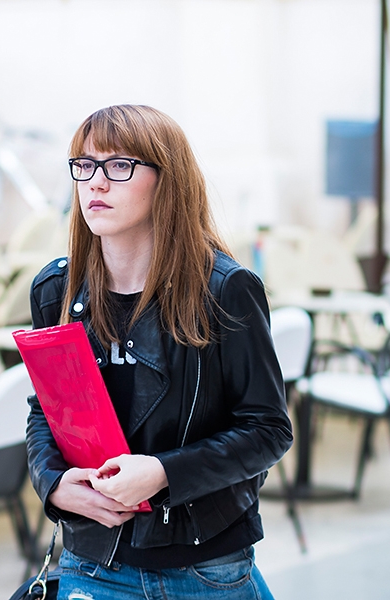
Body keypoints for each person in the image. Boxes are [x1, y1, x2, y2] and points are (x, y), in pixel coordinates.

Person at [26, 105, 293, 599]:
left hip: (205, 568)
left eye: (118, 165)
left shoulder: (224, 290)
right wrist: (54, 485)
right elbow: (46, 411)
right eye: (84, 165)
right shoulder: (57, 290)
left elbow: (268, 430)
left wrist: (164, 473)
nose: (96, 182)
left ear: (166, 181)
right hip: (93, 562)